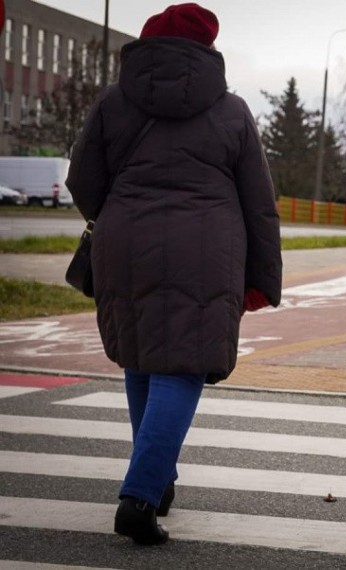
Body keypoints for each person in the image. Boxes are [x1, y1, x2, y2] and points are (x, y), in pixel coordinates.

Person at [66, 3, 283, 545]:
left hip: (122, 243)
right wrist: (264, 276)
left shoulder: (114, 103)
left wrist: (116, 216)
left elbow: (81, 178)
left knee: (142, 357)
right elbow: (259, 202)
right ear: (208, 51)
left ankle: (157, 479)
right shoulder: (231, 110)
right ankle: (139, 496)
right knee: (183, 365)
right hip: (206, 249)